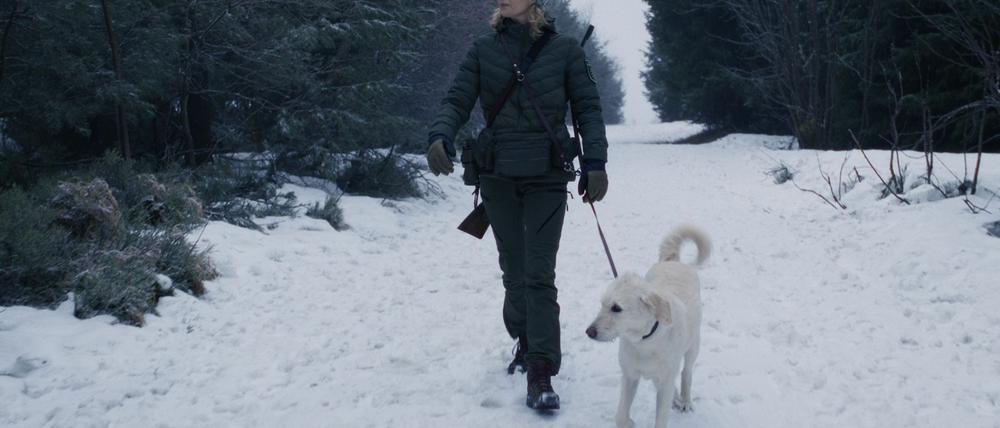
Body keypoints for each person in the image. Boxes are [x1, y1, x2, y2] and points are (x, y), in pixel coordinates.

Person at [425, 0, 608, 411]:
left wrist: (595, 162)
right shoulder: (482, 49)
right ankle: (525, 340)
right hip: (497, 175)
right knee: (515, 272)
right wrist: (440, 135)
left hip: (547, 175)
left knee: (539, 273)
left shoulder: (565, 50)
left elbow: (588, 110)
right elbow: (456, 99)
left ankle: (541, 371)